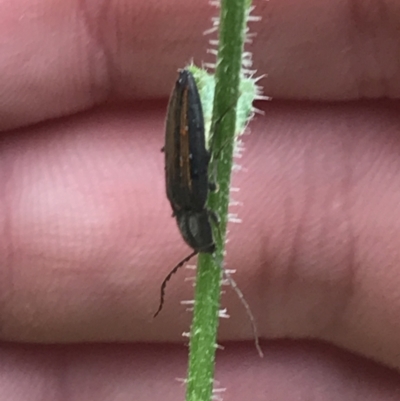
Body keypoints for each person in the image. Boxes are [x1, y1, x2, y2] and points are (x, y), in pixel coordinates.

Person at [1, 1, 399, 400]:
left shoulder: (188, 199)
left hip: (187, 113)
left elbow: (195, 156)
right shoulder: (186, 200)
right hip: (187, 116)